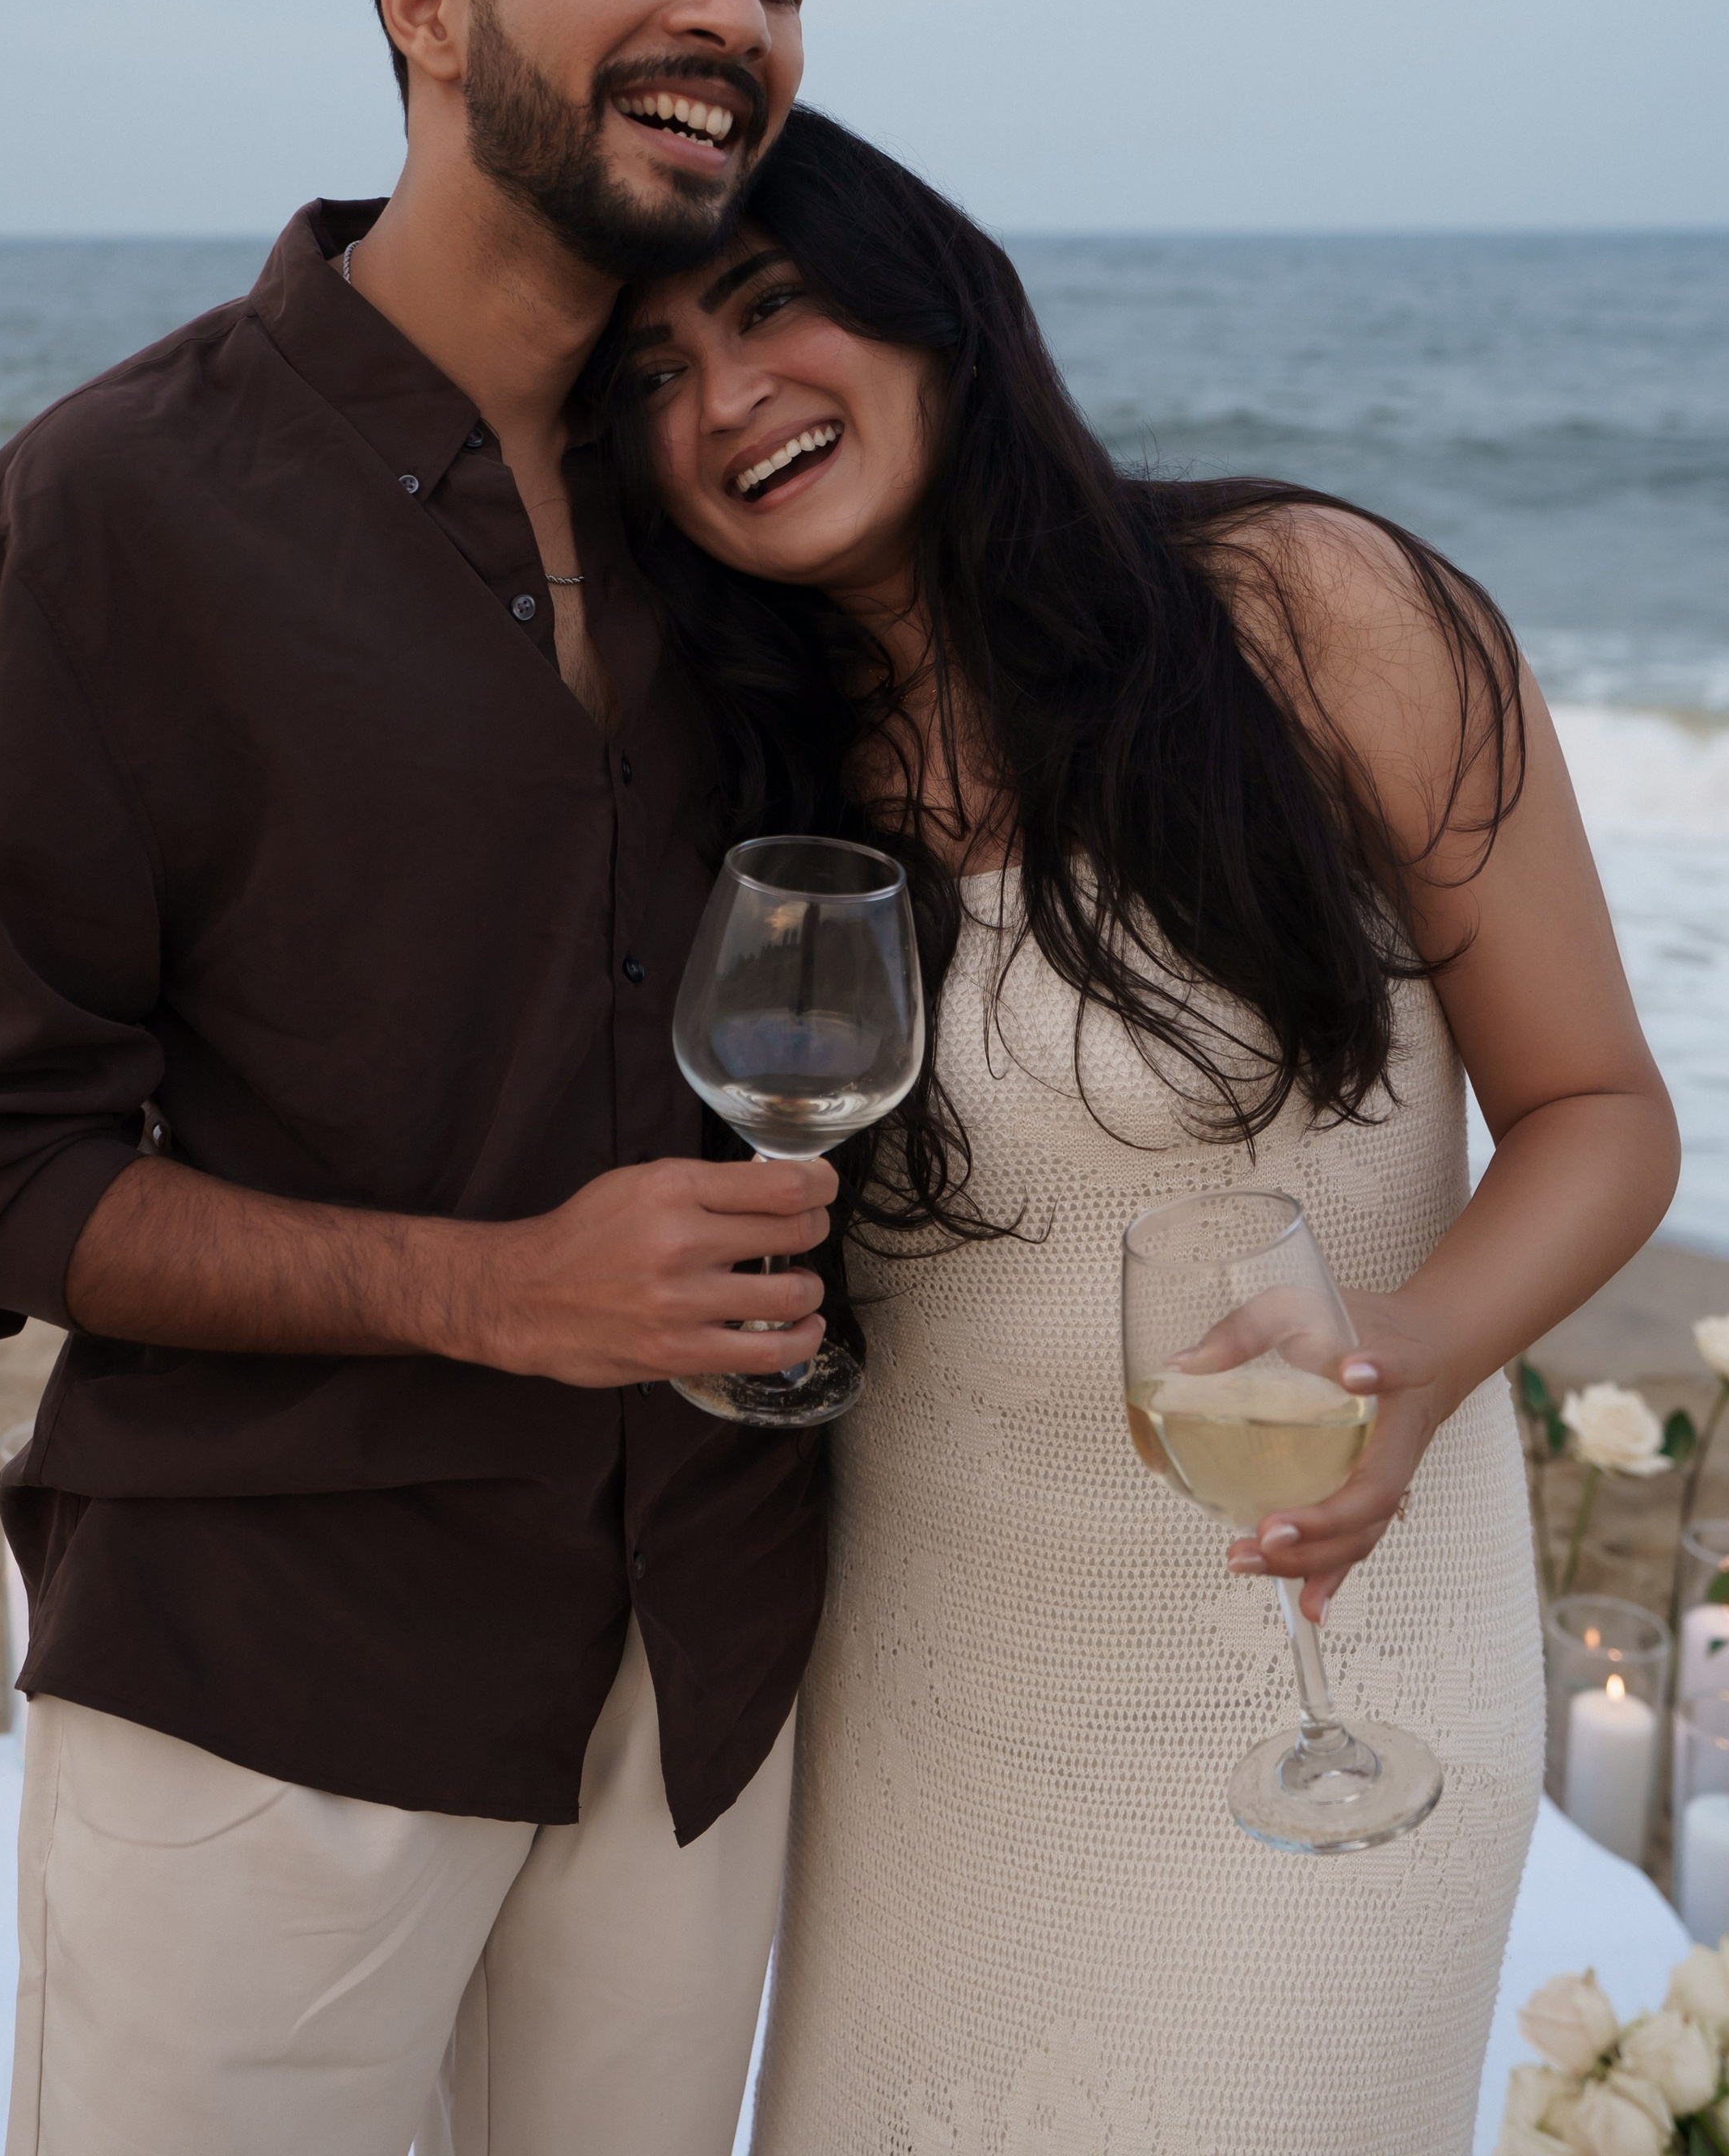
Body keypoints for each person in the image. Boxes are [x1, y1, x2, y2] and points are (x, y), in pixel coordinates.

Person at [0, 0, 857, 2156]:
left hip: (704, 1667)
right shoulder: (110, 513)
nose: (731, 8)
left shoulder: (768, 504)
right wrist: (500, 1295)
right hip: (277, 1674)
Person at [594, 107, 1681, 2156]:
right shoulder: (743, 770)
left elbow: (1601, 1115)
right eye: (647, 379)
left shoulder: (1306, 611)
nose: (725, 400)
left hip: (1316, 1689)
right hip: (927, 1700)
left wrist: (1414, 1364)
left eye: (765, 311)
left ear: (933, 309)